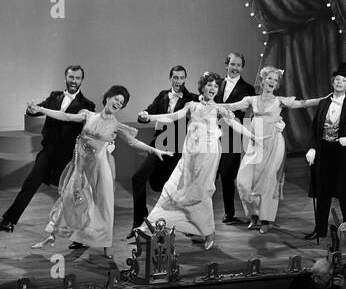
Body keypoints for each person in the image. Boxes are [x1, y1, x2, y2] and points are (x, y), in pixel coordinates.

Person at [29, 85, 172, 258]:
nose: (118, 103)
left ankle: (107, 245)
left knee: (103, 207)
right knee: (70, 199)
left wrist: (155, 150)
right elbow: (65, 116)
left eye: (122, 102)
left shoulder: (115, 125)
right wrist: (41, 109)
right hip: (81, 167)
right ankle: (54, 235)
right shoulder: (88, 115)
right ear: (108, 97)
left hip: (101, 168)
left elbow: (133, 143)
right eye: (116, 99)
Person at [136, 72, 262, 250]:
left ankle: (208, 232)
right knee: (172, 188)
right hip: (190, 154)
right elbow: (172, 117)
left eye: (216, 86)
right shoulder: (192, 105)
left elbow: (235, 124)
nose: (212, 88)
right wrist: (150, 117)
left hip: (208, 155)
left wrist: (253, 136)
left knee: (200, 193)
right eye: (209, 85)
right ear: (202, 86)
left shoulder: (218, 108)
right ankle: (150, 226)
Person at [0, 65, 95, 233]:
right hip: (49, 152)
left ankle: (83, 232)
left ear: (82, 80)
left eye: (77, 78)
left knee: (73, 195)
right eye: (71, 77)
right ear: (66, 77)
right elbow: (36, 110)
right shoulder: (54, 96)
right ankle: (8, 221)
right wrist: (31, 110)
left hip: (69, 157)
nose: (73, 81)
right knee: (29, 184)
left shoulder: (88, 105)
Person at [218, 66, 326, 234]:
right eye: (269, 78)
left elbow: (303, 103)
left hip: (274, 144)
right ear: (262, 80)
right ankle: (253, 216)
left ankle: (266, 220)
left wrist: (324, 99)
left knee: (268, 182)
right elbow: (231, 105)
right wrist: (210, 105)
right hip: (255, 144)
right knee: (245, 181)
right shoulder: (252, 100)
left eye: (275, 80)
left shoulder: (279, 101)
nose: (272, 82)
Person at [127, 65, 197, 239]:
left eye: (182, 78)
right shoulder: (162, 95)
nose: (178, 81)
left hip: (178, 150)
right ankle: (139, 224)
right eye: (175, 77)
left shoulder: (192, 98)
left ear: (185, 79)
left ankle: (188, 225)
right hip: (158, 145)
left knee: (176, 188)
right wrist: (143, 115)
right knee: (138, 178)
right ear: (170, 78)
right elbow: (148, 113)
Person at [304, 62, 346, 240]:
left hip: (343, 156)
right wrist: (312, 147)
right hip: (324, 153)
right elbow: (315, 128)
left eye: (344, 80)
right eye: (337, 79)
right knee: (323, 194)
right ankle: (320, 230)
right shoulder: (325, 103)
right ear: (333, 83)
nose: (339, 82)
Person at [214, 53, 256, 224]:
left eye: (239, 65)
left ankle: (229, 212)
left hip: (233, 136)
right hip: (213, 134)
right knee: (209, 175)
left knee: (227, 175)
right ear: (227, 65)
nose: (235, 68)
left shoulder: (248, 89)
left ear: (242, 67)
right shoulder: (216, 84)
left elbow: (251, 115)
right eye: (232, 64)